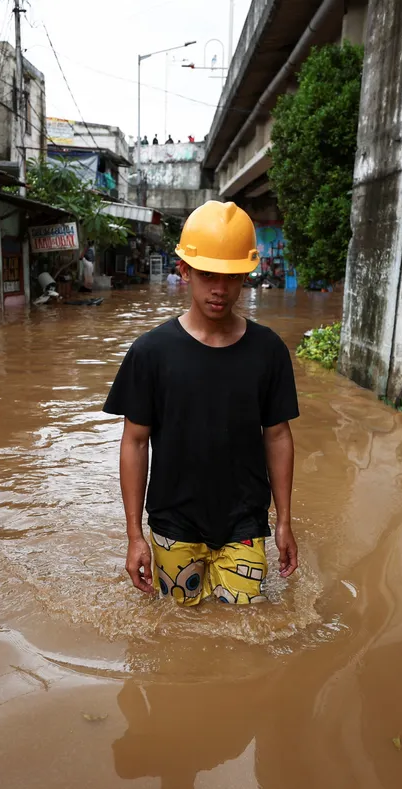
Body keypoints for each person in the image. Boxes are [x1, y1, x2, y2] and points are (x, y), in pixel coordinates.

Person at [103, 200, 299, 606]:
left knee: (248, 625)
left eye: (231, 277)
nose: (219, 289)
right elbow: (134, 442)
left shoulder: (269, 351)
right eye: (208, 274)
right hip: (173, 523)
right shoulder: (150, 353)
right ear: (184, 271)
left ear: (245, 275)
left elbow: (278, 435)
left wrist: (283, 521)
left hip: (245, 522)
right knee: (178, 627)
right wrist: (134, 536)